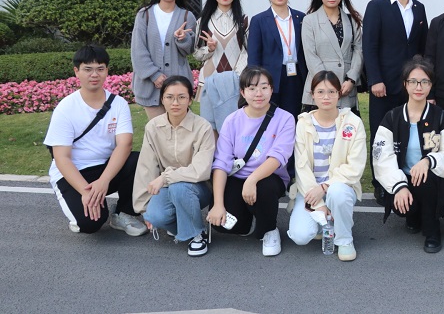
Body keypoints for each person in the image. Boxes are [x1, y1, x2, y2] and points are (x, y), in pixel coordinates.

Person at [44, 45, 146, 236]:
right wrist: (86, 192)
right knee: (90, 224)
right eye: (88, 69)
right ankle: (79, 210)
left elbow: (125, 144)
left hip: (105, 168)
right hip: (74, 172)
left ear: (107, 70)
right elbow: (61, 158)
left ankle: (123, 213)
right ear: (77, 71)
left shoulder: (118, 104)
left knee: (139, 160)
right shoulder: (66, 108)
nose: (94, 74)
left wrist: (104, 180)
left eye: (100, 68)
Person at [373, 56, 444, 253]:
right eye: (413, 81)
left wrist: (429, 161)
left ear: (431, 85)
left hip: (434, 181)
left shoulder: (442, 117)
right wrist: (399, 186)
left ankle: (432, 230)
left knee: (425, 177)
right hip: (403, 179)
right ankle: (413, 214)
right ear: (405, 84)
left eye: (424, 81)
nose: (418, 87)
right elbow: (381, 159)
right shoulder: (392, 117)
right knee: (405, 204)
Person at [207, 67, 296, 256]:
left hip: (269, 178)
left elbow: (278, 157)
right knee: (224, 226)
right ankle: (248, 215)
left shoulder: (285, 118)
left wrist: (252, 180)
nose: (258, 93)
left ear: (271, 89)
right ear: (242, 92)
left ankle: (269, 230)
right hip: (237, 176)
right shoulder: (232, 120)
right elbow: (221, 162)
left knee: (264, 189)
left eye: (264, 87)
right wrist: (218, 204)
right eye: (252, 88)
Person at [363, 0, 428, 204]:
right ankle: (380, 184)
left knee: (408, 134)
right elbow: (369, 46)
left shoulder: (419, 8)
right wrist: (375, 79)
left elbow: (421, 48)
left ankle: (404, 177)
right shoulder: (377, 6)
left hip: (412, 88)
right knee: (381, 136)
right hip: (384, 86)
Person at [287, 71, 367, 261]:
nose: (326, 97)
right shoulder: (303, 123)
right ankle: (324, 221)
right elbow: (301, 168)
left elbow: (355, 167)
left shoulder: (353, 123)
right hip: (309, 190)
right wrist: (320, 204)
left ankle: (344, 239)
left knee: (337, 193)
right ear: (312, 94)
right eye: (320, 92)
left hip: (340, 188)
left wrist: (324, 188)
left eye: (331, 92)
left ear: (339, 94)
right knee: (300, 236)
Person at [133, 75, 215, 256]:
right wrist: (144, 208)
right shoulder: (153, 127)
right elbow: (146, 167)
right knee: (155, 216)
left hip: (198, 188)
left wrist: (165, 177)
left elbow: (200, 170)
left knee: (180, 188)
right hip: (167, 187)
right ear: (162, 99)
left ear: (190, 99)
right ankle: (186, 225)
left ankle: (196, 235)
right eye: (169, 97)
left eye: (181, 97)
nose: (175, 103)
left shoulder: (203, 127)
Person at [131, 0, 197, 120]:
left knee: (179, 130)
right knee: (157, 130)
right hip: (150, 85)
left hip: (178, 84)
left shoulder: (187, 16)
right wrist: (153, 74)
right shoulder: (144, 15)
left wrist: (183, 39)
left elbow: (190, 50)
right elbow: (137, 49)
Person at [301, 0, 363, 113]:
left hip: (346, 87)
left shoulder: (352, 20)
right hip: (319, 87)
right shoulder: (309, 21)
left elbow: (359, 51)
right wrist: (327, 83)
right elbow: (310, 55)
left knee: (347, 126)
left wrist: (351, 79)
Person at [248, 0, 307, 118]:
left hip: (296, 76)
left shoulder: (301, 18)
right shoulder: (259, 20)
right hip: (269, 77)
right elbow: (254, 55)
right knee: (269, 117)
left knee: (293, 116)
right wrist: (255, 81)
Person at [193, 0, 249, 105]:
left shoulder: (243, 21)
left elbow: (247, 52)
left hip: (236, 82)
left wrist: (236, 76)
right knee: (209, 118)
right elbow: (196, 54)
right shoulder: (203, 21)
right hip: (209, 81)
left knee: (236, 117)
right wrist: (209, 49)